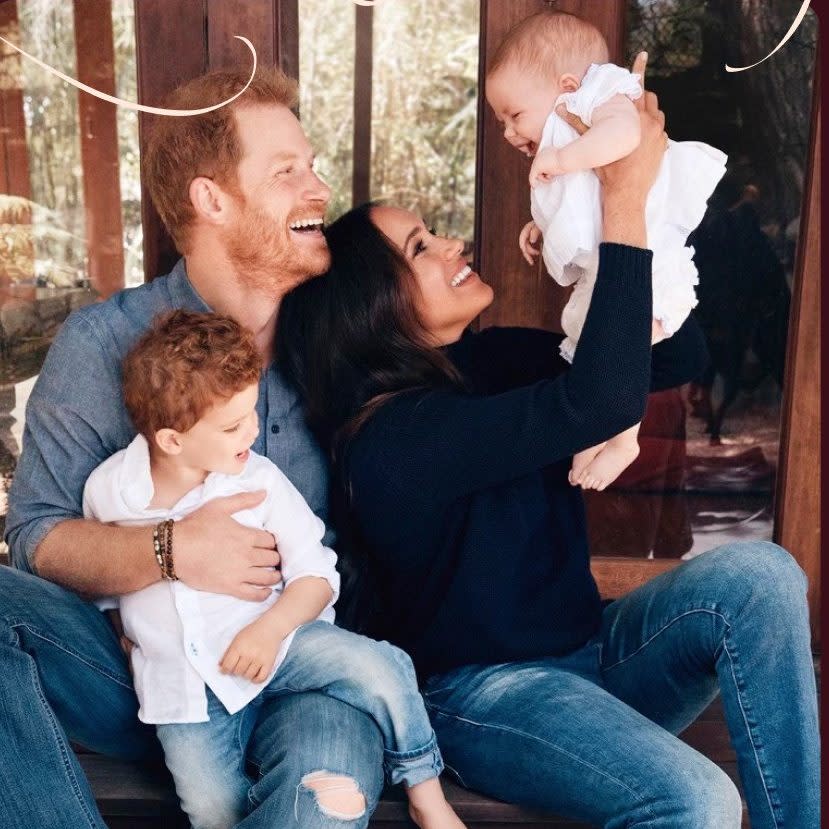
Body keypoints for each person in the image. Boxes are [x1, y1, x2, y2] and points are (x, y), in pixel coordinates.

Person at [277, 71, 819, 828]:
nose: (451, 243)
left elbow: (671, 357)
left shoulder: (494, 360)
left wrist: (611, 243)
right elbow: (596, 400)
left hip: (594, 652)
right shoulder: (390, 438)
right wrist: (622, 201)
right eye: (420, 246)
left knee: (761, 574)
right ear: (374, 305)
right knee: (696, 801)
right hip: (488, 696)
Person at [1, 67, 390, 829]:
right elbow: (34, 537)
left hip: (304, 667)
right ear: (211, 199)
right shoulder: (104, 343)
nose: (317, 188)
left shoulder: (342, 338)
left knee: (325, 801)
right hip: (148, 676)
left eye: (311, 166)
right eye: (287, 172)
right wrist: (170, 549)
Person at [83, 309, 464, 829]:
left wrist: (269, 630)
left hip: (281, 644)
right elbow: (104, 582)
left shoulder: (257, 481)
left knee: (383, 667)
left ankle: (426, 791)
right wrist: (124, 635)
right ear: (172, 439)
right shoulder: (110, 491)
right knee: (213, 808)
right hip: (184, 690)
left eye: (252, 412)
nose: (253, 430)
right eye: (233, 424)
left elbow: (316, 575)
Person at [485, 11, 727, 492]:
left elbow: (625, 137)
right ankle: (600, 429)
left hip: (650, 258)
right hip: (616, 257)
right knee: (592, 342)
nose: (510, 133)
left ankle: (623, 438)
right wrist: (542, 224)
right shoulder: (572, 130)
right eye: (501, 123)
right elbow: (585, 200)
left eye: (515, 115)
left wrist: (561, 157)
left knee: (623, 342)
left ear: (568, 85)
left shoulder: (604, 96)